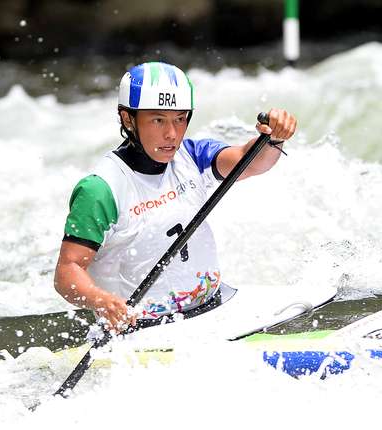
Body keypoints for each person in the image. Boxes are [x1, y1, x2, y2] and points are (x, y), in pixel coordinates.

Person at [54, 61, 296, 331]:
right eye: (158, 120)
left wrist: (274, 139)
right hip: (144, 330)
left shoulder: (192, 155)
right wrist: (101, 301)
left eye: (180, 119)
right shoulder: (101, 189)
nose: (172, 133)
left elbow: (248, 161)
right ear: (127, 119)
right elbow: (67, 272)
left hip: (215, 307)